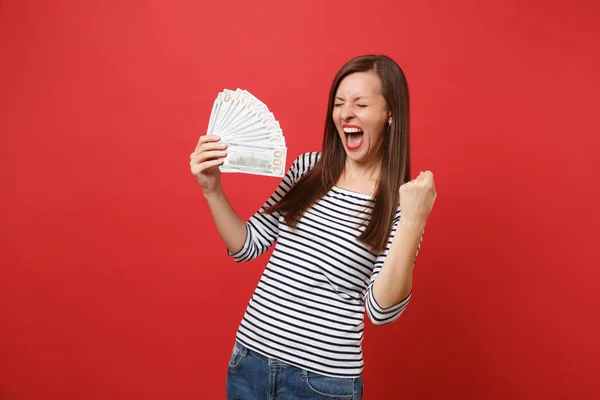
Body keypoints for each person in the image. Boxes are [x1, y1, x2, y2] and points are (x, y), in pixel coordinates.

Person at [190, 54, 437, 400]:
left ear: (390, 114)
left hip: (322, 384)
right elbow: (247, 245)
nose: (345, 113)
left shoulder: (402, 203)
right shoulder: (308, 169)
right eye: (339, 103)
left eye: (360, 104)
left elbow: (381, 311)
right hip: (250, 361)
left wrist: (413, 220)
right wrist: (211, 188)